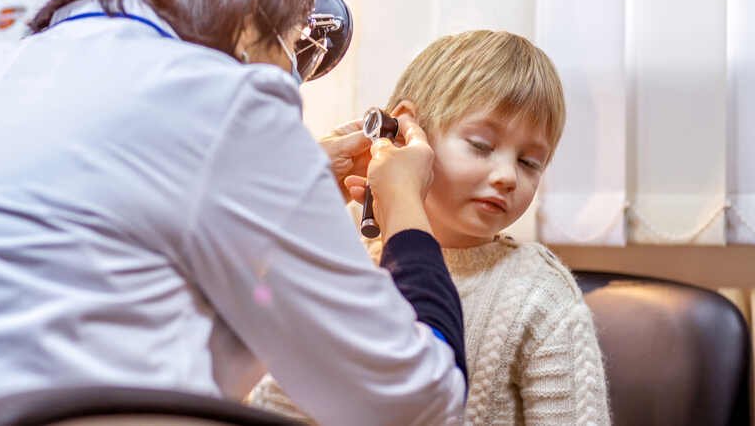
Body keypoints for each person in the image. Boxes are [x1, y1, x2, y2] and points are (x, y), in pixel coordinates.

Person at [0, 0, 466, 425]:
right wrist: (405, 210)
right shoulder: (224, 96)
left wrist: (300, 188)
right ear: (250, 28)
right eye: (292, 49)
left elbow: (120, 266)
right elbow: (411, 402)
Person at [249, 30, 611, 425]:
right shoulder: (355, 271)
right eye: (481, 145)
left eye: (529, 162)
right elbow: (277, 406)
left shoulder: (541, 295)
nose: (507, 175)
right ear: (407, 131)